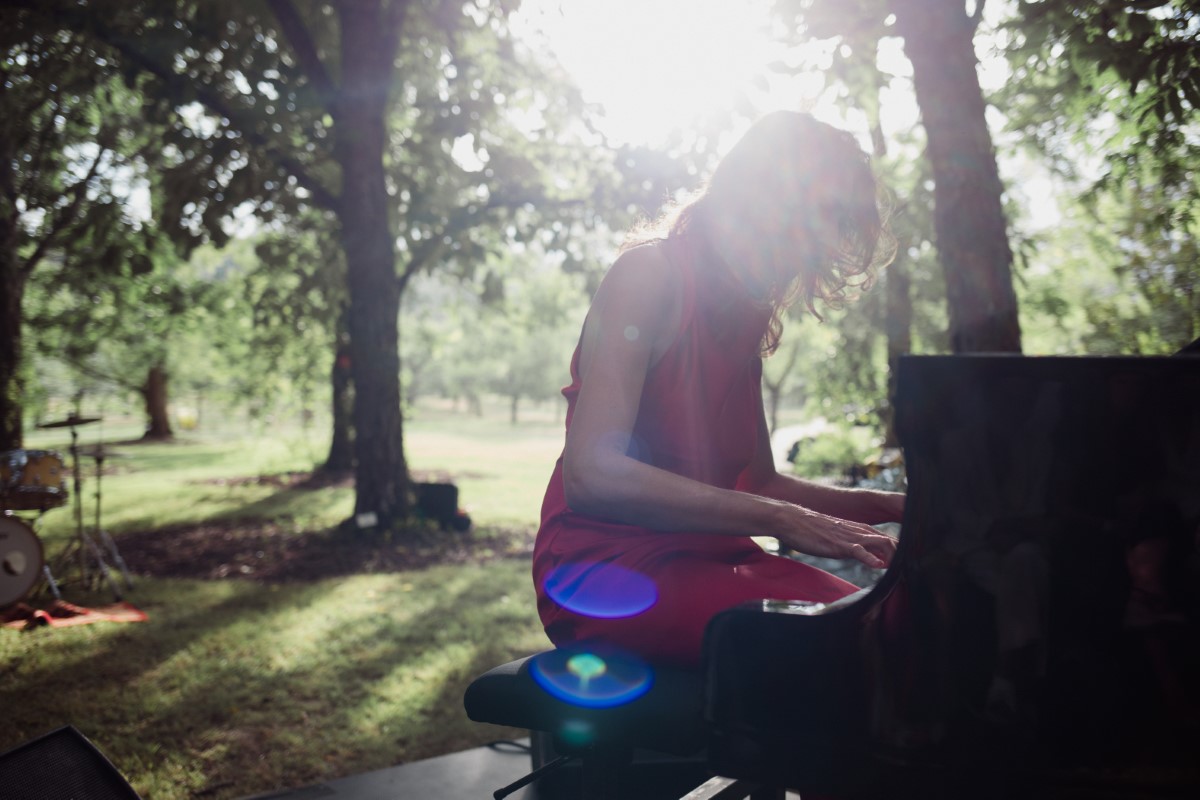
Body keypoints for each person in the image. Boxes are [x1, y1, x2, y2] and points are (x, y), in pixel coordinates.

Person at [533, 111, 905, 668]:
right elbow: (592, 474)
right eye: (820, 220)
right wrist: (782, 522)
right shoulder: (648, 276)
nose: (820, 248)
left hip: (716, 554)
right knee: (847, 645)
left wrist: (894, 507)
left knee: (899, 618)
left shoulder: (747, 311)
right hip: (606, 568)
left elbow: (760, 483)